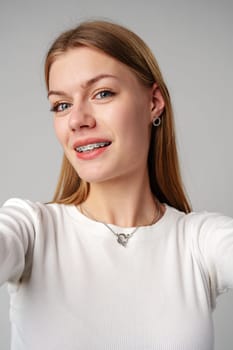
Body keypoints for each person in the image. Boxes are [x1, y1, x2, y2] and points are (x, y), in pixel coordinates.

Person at [0, 19, 232, 350]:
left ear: (153, 103)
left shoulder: (198, 241)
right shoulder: (31, 229)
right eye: (62, 105)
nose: (78, 120)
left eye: (102, 93)